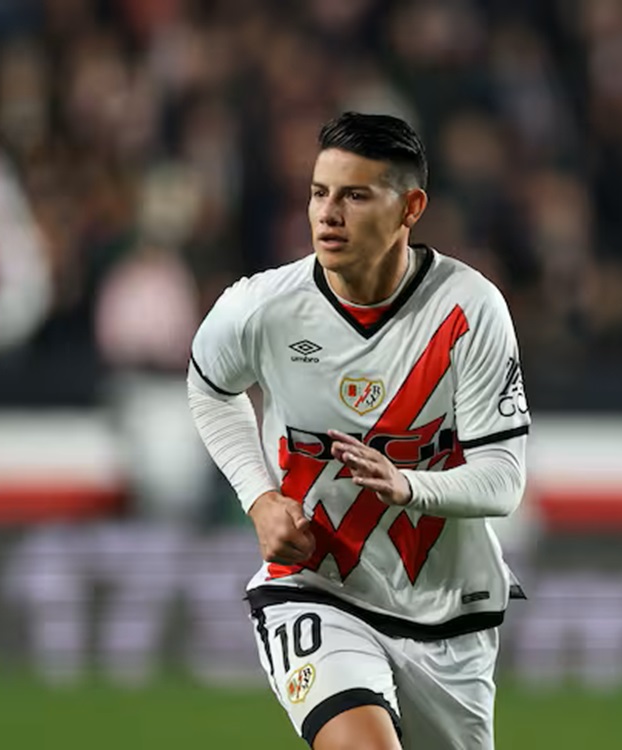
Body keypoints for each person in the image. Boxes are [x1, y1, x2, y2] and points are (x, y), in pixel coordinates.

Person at [187, 112, 530, 750]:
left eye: (355, 195)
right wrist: (259, 498)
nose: (328, 214)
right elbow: (209, 387)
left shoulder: (469, 310)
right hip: (316, 589)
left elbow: (503, 480)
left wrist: (409, 486)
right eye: (319, 192)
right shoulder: (262, 308)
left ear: (410, 208)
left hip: (448, 613)